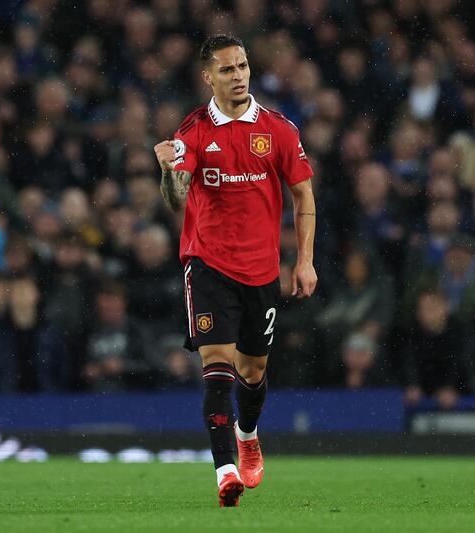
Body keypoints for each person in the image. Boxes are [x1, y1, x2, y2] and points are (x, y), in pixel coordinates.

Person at [153, 34, 317, 507]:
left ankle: (248, 434)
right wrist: (167, 172)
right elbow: (176, 199)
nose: (238, 75)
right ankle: (225, 470)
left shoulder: (278, 130)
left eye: (242, 66)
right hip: (207, 265)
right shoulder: (195, 131)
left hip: (261, 271)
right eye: (227, 69)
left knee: (253, 370)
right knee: (217, 365)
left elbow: (303, 194)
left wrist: (304, 260)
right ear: (209, 77)